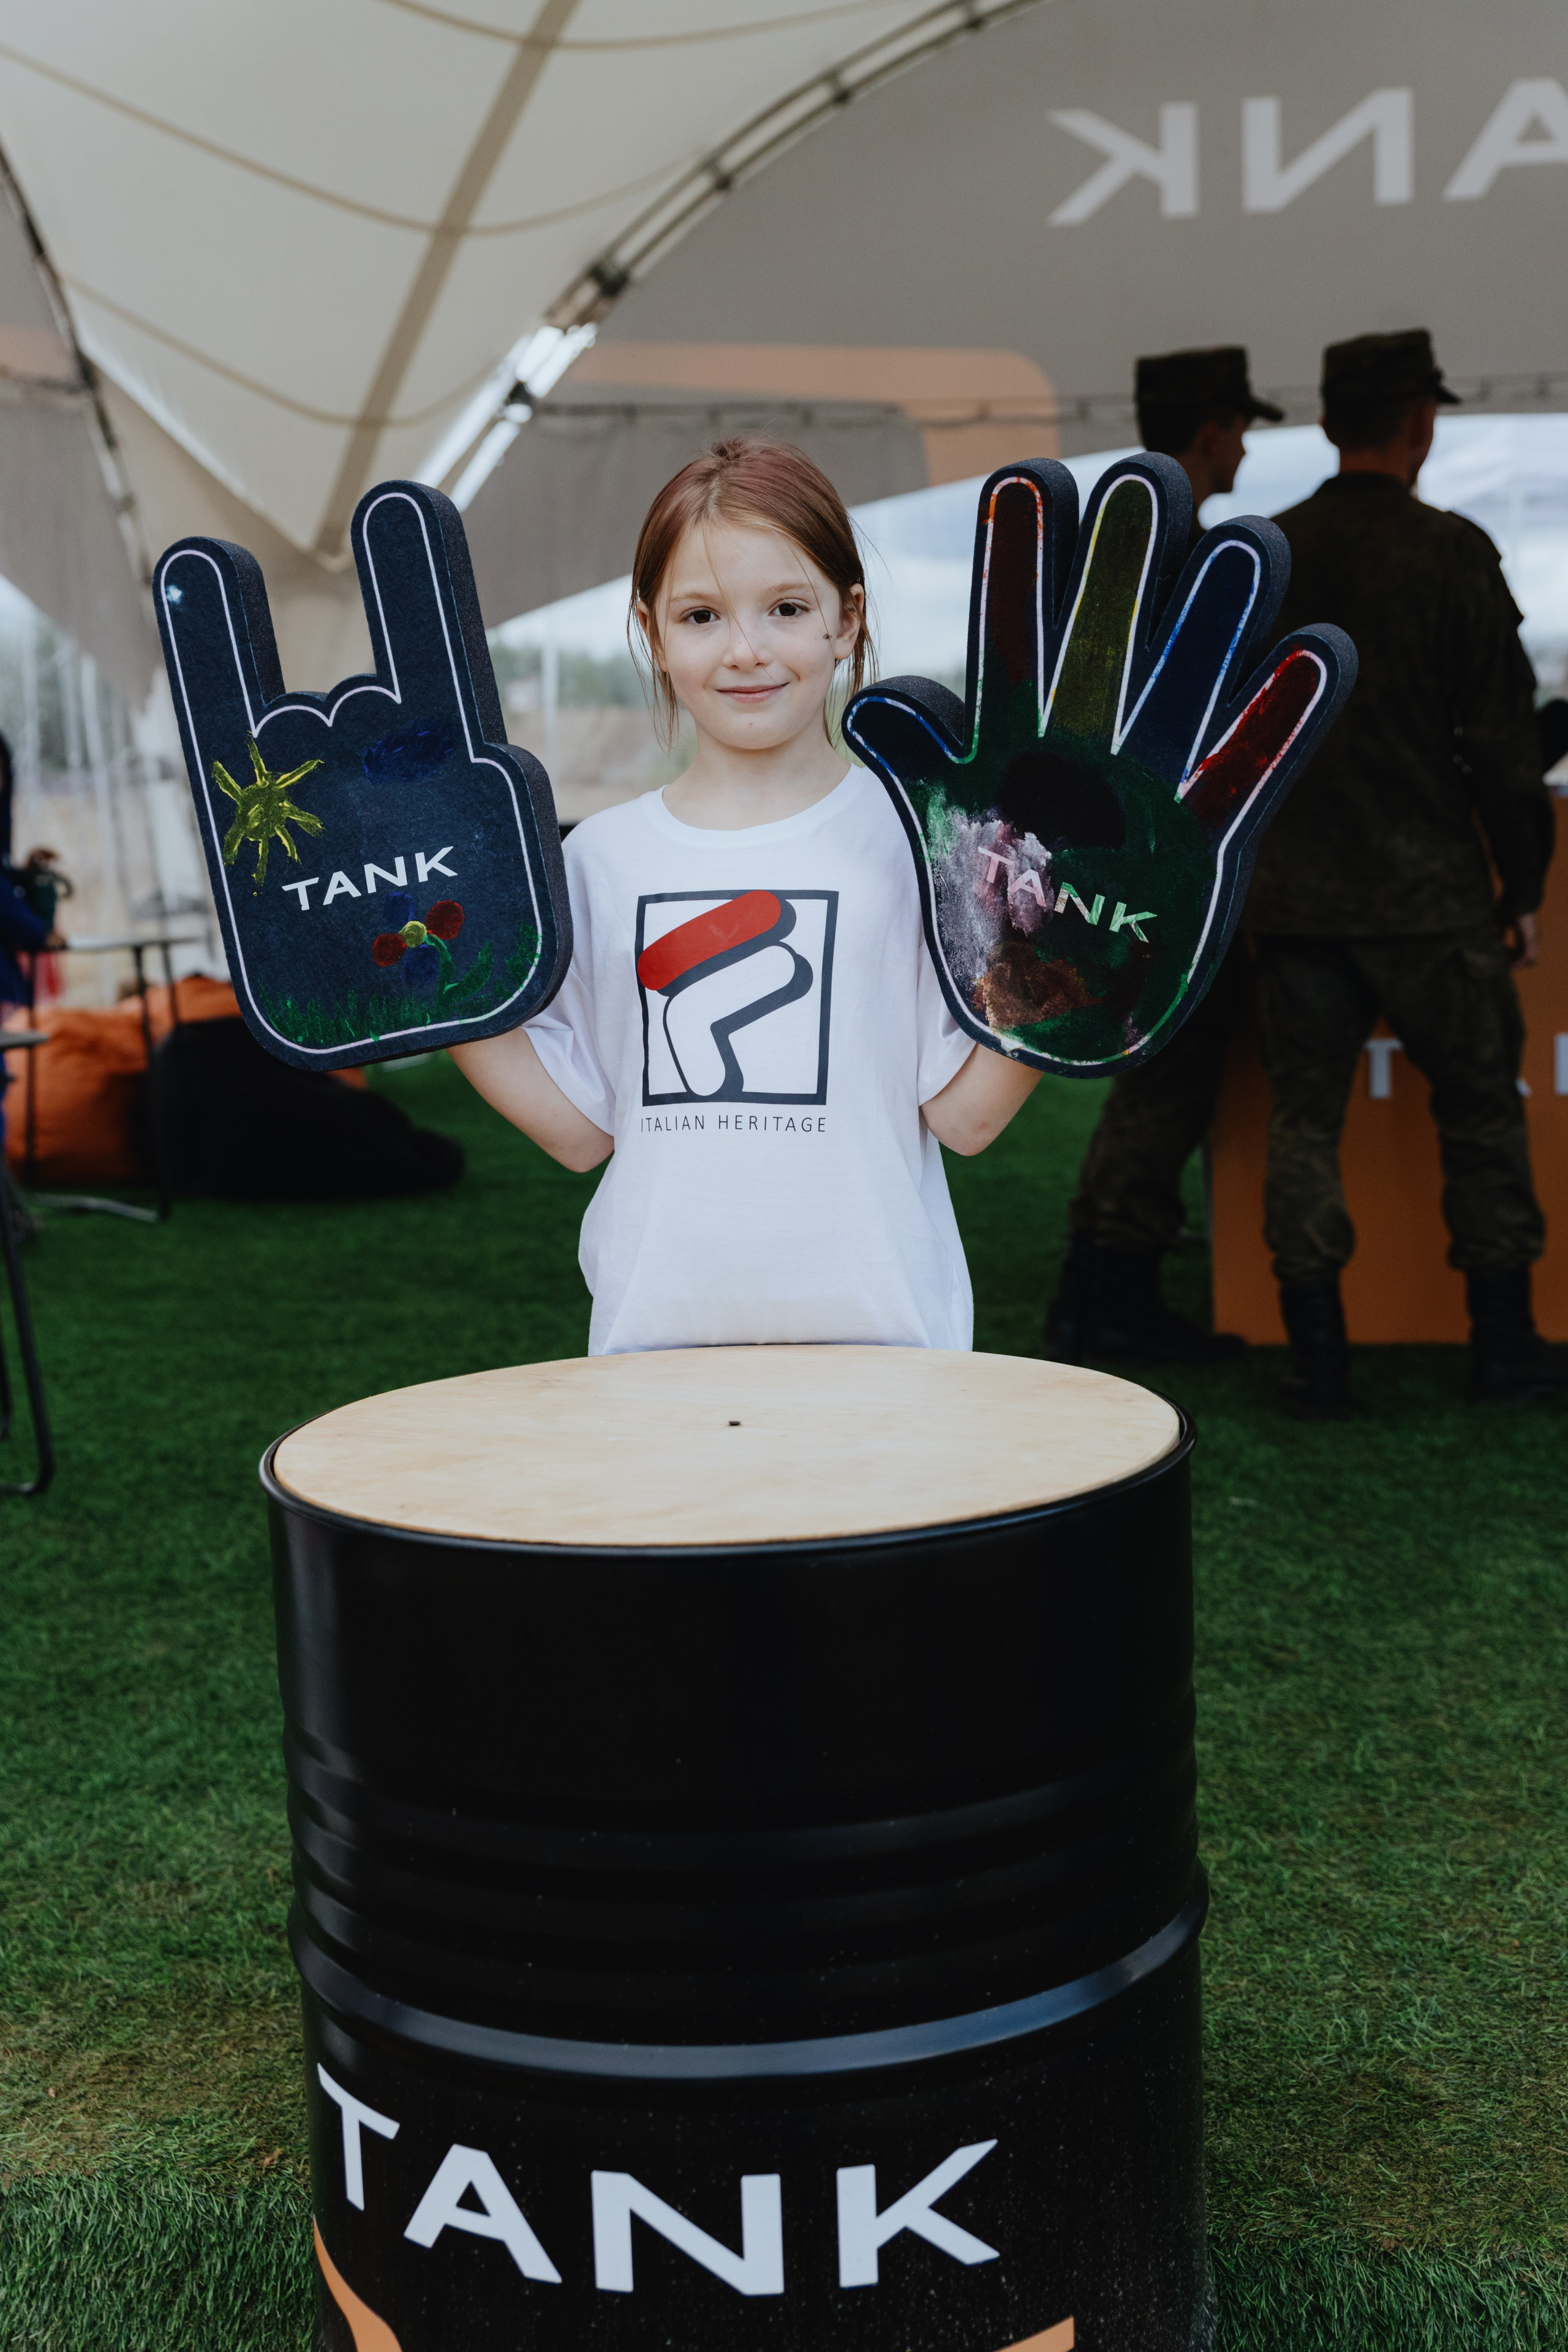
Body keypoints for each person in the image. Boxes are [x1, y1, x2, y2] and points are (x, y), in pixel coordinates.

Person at [451, 437, 1039, 1355]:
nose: (746, 650)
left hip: (889, 1354)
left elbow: (966, 1118)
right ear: (649, 629)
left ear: (847, 620)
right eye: (701, 616)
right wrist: (439, 995)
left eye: (787, 608)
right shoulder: (598, 860)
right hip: (653, 1354)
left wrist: (1071, 958)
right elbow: (577, 1132)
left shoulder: (921, 846)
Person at [1250, 328, 1562, 1413]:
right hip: (1431, 902)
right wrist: (1520, 889)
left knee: (1304, 1120)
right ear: (1423, 422)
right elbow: (1508, 749)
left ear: (1332, 422)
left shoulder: (1268, 557)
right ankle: (1504, 1348)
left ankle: (1317, 1363)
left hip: (1291, 900)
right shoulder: (1453, 554)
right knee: (1480, 1110)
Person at [1044, 345, 1283, 1365]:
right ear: (1212, 427)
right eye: (1238, 424)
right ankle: (1112, 1297)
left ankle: (1093, 1291)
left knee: (1151, 1078)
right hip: (1162, 860)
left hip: (1104, 851)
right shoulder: (1186, 548)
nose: (1244, 443)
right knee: (1165, 1078)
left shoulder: (1118, 531)